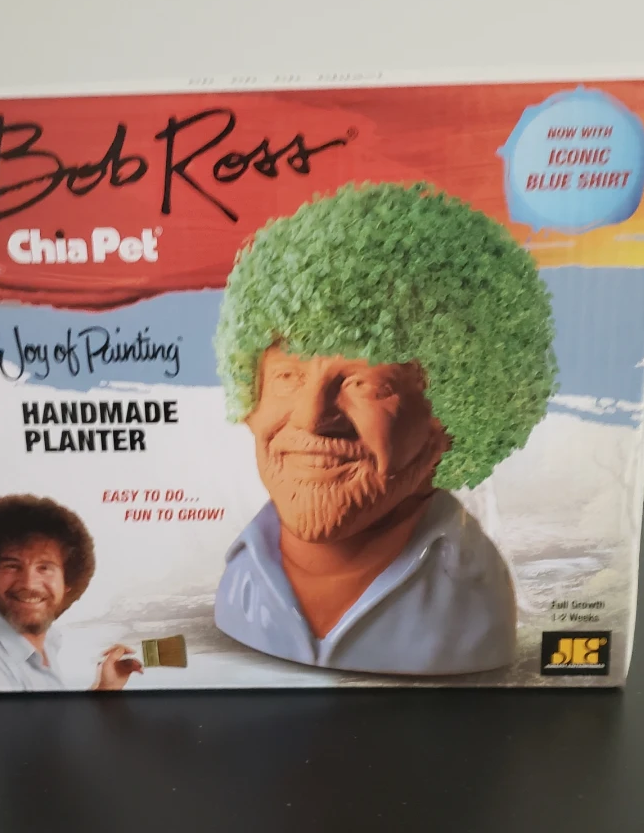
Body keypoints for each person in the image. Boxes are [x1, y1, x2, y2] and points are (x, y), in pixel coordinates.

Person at [213, 181, 557, 676]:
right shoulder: (240, 577)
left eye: (365, 384)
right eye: (288, 377)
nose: (311, 417)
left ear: (452, 417)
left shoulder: (469, 601)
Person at [0, 494, 141, 694]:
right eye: (12, 566)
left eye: (44, 568)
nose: (29, 584)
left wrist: (104, 689)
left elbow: (50, 713)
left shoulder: (47, 641)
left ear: (68, 582)